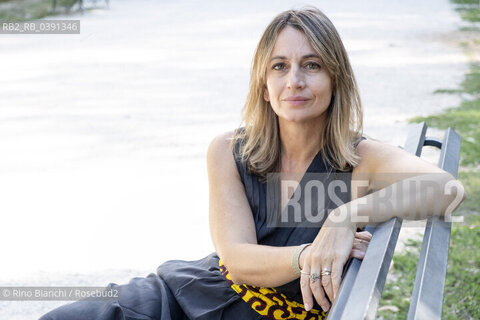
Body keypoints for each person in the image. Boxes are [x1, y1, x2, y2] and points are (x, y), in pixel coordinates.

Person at [40, 7, 465, 320]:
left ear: (335, 81)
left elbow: (447, 189)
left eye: (311, 66)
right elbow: (238, 259)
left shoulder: (358, 158)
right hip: (186, 297)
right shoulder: (229, 150)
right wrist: (309, 255)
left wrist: (344, 216)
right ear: (264, 86)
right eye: (279, 67)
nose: (294, 80)